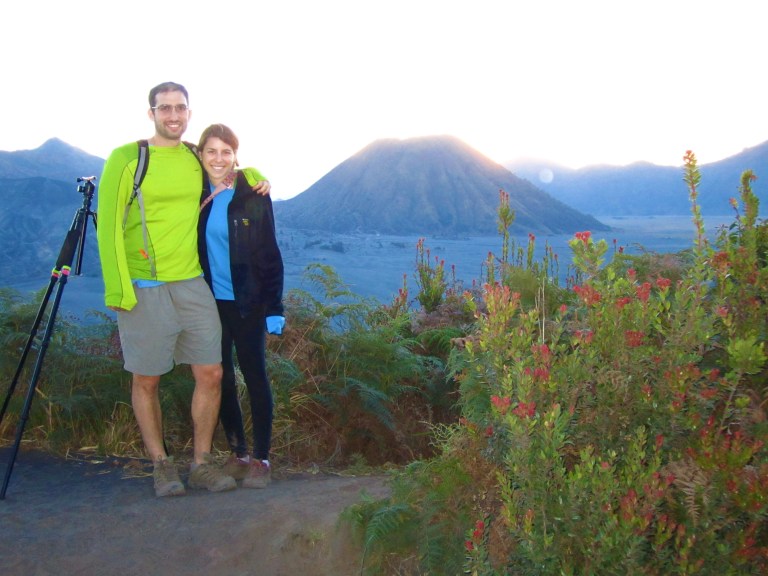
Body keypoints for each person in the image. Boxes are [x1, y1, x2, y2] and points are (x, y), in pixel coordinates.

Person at [96, 82, 267, 497]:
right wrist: (118, 289)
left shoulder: (194, 156)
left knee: (212, 372)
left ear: (189, 113)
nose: (173, 115)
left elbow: (226, 167)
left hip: (192, 282)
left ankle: (201, 464)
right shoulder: (127, 158)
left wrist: (254, 175)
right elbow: (107, 226)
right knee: (147, 379)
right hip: (145, 284)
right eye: (165, 108)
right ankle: (161, 464)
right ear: (151, 113)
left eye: (180, 108)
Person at [196, 124, 285, 489]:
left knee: (255, 375)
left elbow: (269, 252)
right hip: (209, 303)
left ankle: (262, 458)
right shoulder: (196, 193)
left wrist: (274, 306)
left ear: (235, 155)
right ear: (200, 154)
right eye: (211, 151)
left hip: (248, 302)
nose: (218, 159)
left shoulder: (252, 193)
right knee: (221, 378)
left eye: (226, 152)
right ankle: (239, 453)